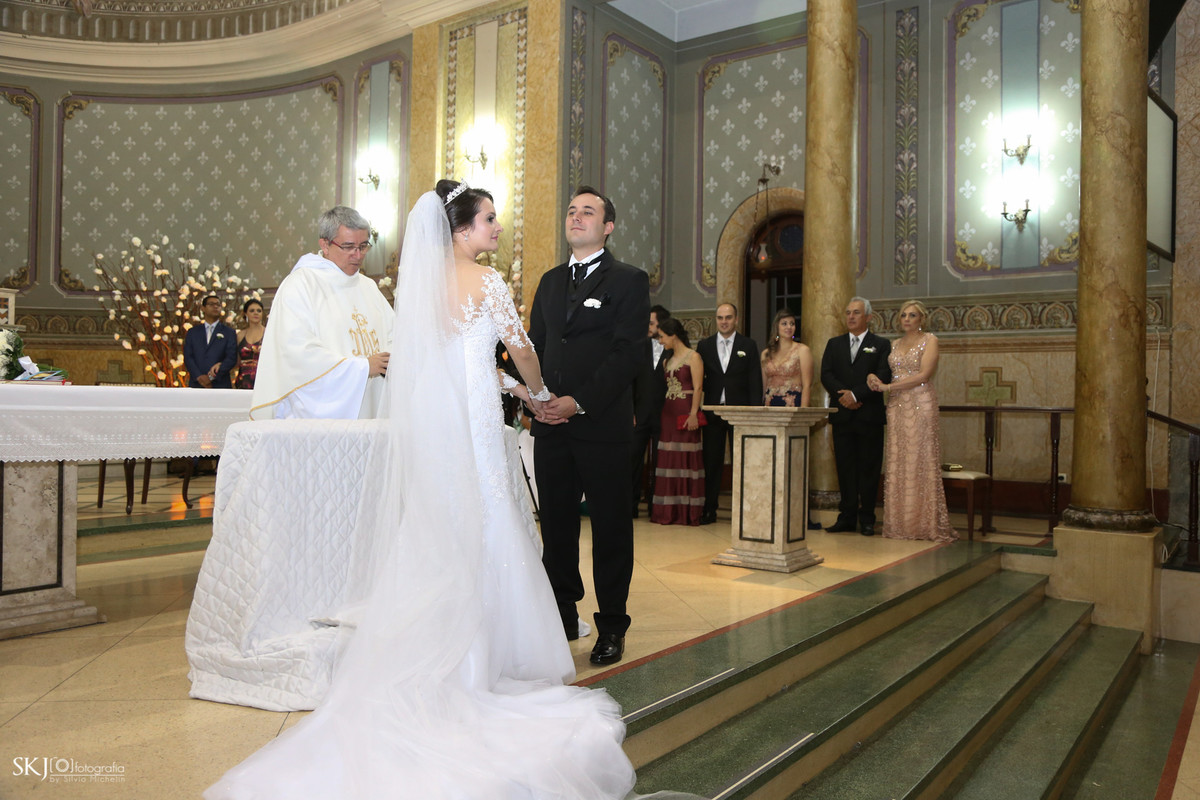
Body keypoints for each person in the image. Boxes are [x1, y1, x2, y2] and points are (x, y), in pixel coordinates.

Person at [204, 182, 639, 799]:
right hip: (475, 425)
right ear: (462, 229)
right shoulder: (487, 284)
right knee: (490, 520)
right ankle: (490, 656)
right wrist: (536, 391)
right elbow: (522, 352)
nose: (496, 229)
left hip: (440, 425)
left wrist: (511, 390)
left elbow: (450, 360)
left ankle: (443, 649)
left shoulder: (420, 287)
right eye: (490, 220)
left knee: (440, 527)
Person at [528, 185, 649, 667]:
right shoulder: (551, 280)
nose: (576, 217)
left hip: (601, 425)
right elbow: (534, 344)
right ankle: (561, 614)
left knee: (611, 529)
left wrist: (577, 402)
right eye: (572, 211)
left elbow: (628, 354)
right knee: (556, 528)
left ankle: (612, 626)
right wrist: (535, 399)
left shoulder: (629, 280)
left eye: (588, 212)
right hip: (550, 426)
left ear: (608, 226)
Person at [249, 206, 393, 420]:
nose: (358, 255)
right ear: (324, 244)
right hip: (318, 417)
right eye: (349, 247)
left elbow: (395, 334)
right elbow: (296, 353)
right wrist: (362, 368)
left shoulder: (368, 287)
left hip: (372, 408)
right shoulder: (301, 284)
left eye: (364, 246)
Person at [867, 301, 958, 542]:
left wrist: (889, 387)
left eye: (912, 315)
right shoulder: (894, 344)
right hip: (897, 405)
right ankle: (901, 524)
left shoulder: (930, 340)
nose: (907, 319)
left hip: (921, 402)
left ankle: (924, 524)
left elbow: (923, 375)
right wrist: (874, 378)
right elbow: (888, 373)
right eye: (904, 315)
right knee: (899, 459)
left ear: (921, 319)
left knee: (920, 458)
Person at [820, 296, 892, 536]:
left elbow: (883, 374)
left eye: (857, 313)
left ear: (868, 317)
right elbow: (826, 374)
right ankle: (847, 516)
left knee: (869, 469)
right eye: (848, 312)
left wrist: (855, 394)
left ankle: (868, 518)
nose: (851, 316)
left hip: (868, 415)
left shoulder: (881, 344)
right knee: (845, 468)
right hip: (842, 416)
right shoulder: (834, 343)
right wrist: (844, 396)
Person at [696, 302, 762, 525]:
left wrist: (753, 413)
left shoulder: (748, 345)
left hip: (740, 413)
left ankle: (745, 510)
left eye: (728, 317)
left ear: (736, 319)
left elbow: (755, 381)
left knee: (743, 463)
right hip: (713, 412)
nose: (724, 321)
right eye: (720, 318)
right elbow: (698, 380)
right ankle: (709, 509)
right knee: (712, 462)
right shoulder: (704, 346)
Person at [650, 317, 705, 526]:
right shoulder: (667, 361)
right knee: (669, 459)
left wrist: (693, 414)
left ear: (673, 335)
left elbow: (698, 387)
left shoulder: (694, 357)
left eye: (663, 337)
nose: (661, 341)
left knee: (686, 461)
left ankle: (686, 512)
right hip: (668, 413)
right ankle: (669, 512)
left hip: (686, 411)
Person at [631, 304, 670, 517]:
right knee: (633, 461)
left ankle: (657, 508)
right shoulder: (639, 346)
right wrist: (631, 412)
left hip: (664, 415)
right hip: (639, 414)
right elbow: (630, 382)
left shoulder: (673, 349)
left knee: (661, 462)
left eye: (652, 323)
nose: (648, 326)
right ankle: (631, 507)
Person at [761, 307, 813, 407]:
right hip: (769, 406)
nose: (789, 327)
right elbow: (764, 386)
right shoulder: (766, 353)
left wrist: (803, 412)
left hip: (792, 405)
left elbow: (807, 386)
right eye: (784, 323)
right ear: (777, 326)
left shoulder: (802, 350)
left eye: (792, 324)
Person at [183, 294, 237, 388]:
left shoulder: (229, 332)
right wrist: (199, 376)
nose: (215, 306)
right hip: (197, 383)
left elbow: (231, 357)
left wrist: (211, 377)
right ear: (203, 308)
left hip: (220, 383)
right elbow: (188, 357)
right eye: (211, 304)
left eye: (218, 304)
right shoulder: (193, 332)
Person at [234, 298, 265, 390]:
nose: (256, 313)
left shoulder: (269, 333)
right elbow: (236, 361)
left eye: (259, 311)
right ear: (246, 313)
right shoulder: (240, 335)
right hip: (243, 381)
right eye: (252, 311)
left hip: (263, 380)